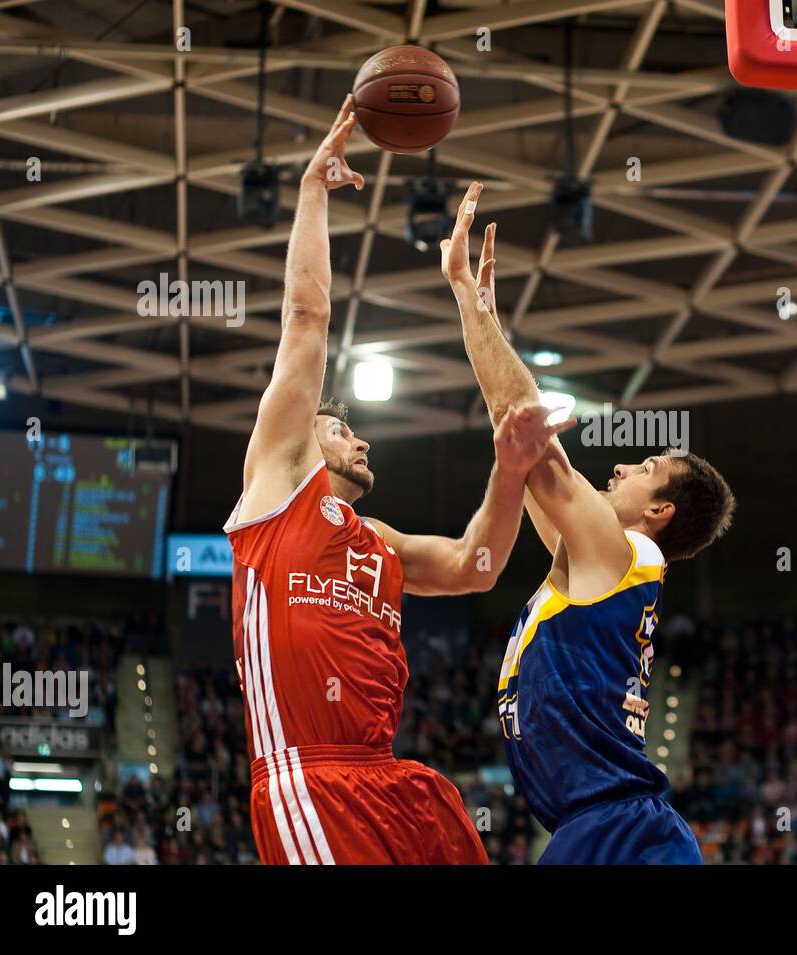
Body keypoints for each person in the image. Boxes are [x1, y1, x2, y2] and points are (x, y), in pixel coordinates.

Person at [222, 97, 565, 865]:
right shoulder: (277, 489)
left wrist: (509, 473)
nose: (360, 435)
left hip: (390, 776)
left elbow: (478, 565)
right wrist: (313, 192)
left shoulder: (377, 542)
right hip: (308, 780)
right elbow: (307, 319)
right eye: (340, 428)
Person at [440, 182, 736, 864]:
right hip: (595, 829)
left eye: (646, 468)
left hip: (619, 830)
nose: (625, 464)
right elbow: (527, 451)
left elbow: (535, 451)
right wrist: (475, 312)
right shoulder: (589, 566)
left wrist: (468, 297)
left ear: (658, 512)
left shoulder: (626, 553)